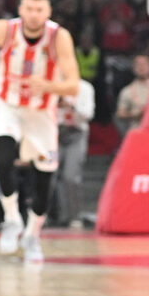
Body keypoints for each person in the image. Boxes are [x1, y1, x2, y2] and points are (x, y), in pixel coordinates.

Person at [0, 0, 80, 262]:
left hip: (42, 112)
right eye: (29, 9)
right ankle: (11, 219)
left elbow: (73, 85)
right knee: (3, 156)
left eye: (40, 10)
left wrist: (49, 85)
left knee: (44, 179)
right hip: (6, 105)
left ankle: (33, 235)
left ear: (48, 12)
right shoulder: (6, 30)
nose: (34, 15)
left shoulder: (59, 37)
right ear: (21, 10)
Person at [56, 78, 94, 228]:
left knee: (71, 176)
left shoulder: (85, 87)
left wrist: (72, 106)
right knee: (48, 175)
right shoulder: (53, 84)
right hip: (55, 132)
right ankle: (51, 215)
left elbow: (88, 114)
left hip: (77, 133)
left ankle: (74, 216)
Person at [114, 53, 149, 137]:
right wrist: (135, 115)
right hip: (137, 131)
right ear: (133, 68)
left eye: (144, 64)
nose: (142, 67)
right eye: (138, 64)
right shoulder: (127, 91)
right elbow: (120, 113)